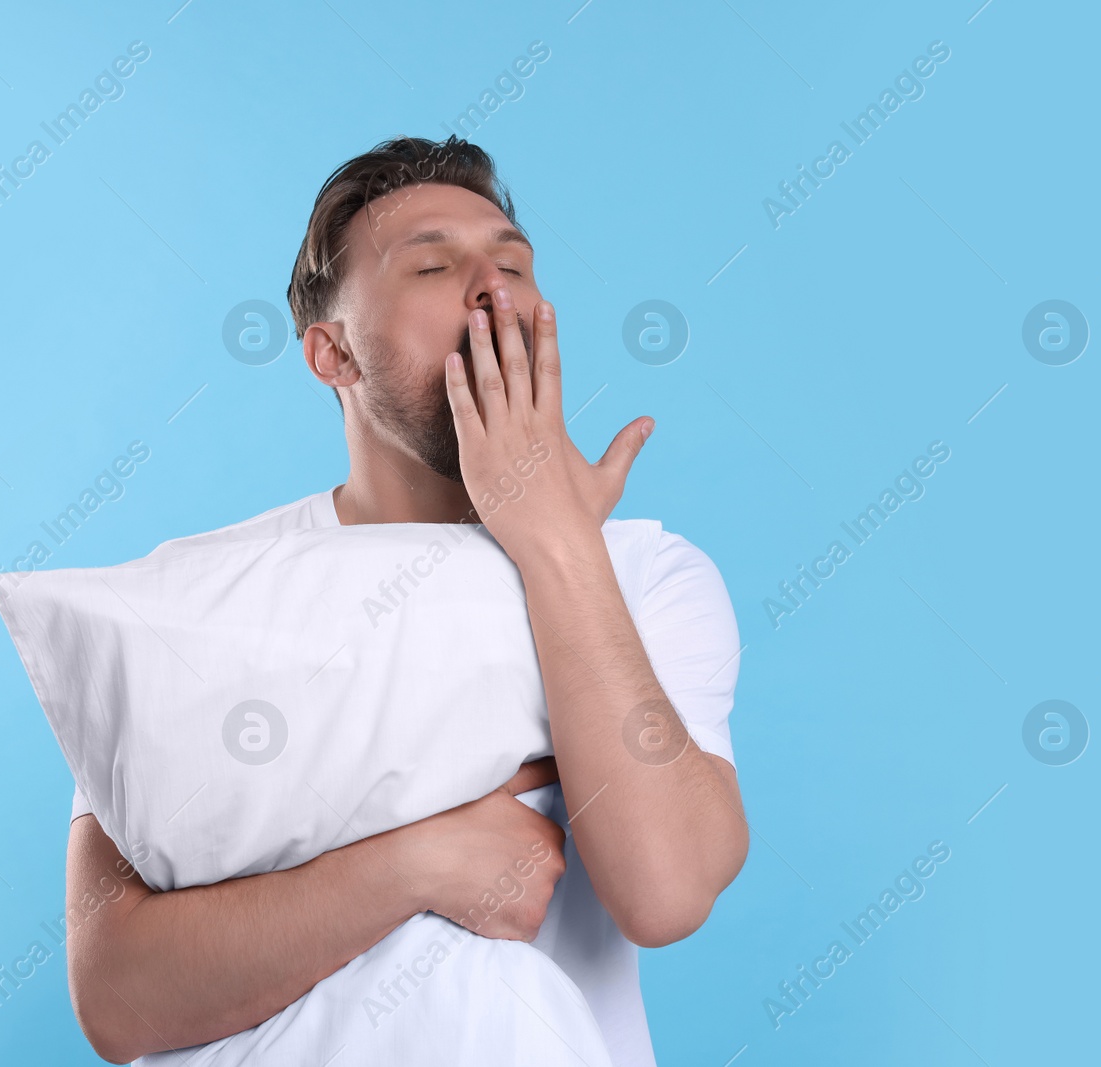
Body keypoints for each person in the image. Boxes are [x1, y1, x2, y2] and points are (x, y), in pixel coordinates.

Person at [62, 135, 750, 1065]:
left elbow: (666, 891)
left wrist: (553, 539)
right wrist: (420, 861)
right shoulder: (206, 599)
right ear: (332, 353)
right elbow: (117, 999)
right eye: (432, 264)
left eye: (514, 263)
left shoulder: (644, 577)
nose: (490, 287)